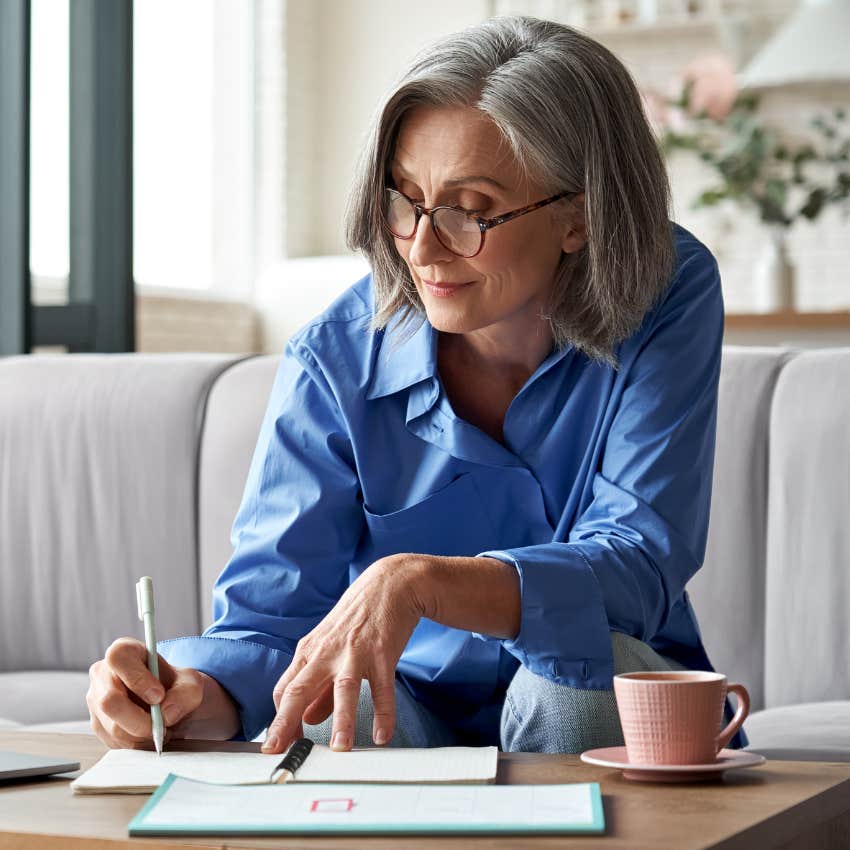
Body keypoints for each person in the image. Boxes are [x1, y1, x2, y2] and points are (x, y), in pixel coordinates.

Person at [87, 15, 745, 755]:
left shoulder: (667, 290)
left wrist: (422, 581)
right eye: (403, 199)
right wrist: (182, 698)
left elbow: (638, 560)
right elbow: (270, 627)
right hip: (409, 704)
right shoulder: (333, 357)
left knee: (569, 678)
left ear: (578, 217)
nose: (422, 247)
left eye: (471, 209)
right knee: (330, 701)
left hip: (595, 690)